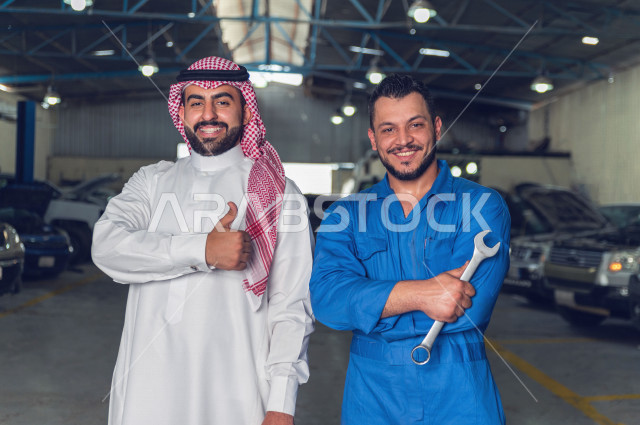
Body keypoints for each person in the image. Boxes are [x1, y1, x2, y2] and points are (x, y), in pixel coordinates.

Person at [92, 56, 314, 425]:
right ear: (182, 112)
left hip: (238, 393)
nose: (208, 114)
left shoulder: (277, 192)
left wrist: (281, 402)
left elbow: (291, 307)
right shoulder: (152, 182)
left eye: (222, 101)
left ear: (245, 110)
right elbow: (107, 246)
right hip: (149, 393)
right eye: (196, 102)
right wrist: (202, 250)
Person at [309, 74, 510, 424]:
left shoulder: (481, 205)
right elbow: (328, 301)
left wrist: (369, 307)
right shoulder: (346, 214)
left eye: (414, 125)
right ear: (373, 138)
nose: (403, 140)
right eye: (388, 129)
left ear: (436, 127)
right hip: (372, 402)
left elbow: (469, 312)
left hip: (460, 399)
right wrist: (423, 295)